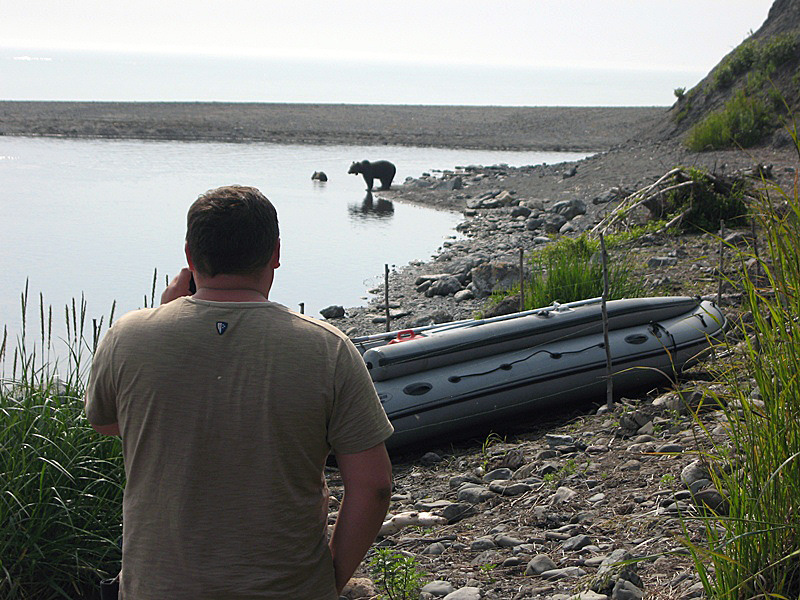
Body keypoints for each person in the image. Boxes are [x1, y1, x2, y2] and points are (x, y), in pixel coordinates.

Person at [85, 185, 394, 599]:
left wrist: (164, 313)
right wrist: (327, 579)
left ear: (191, 258)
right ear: (276, 254)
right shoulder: (328, 349)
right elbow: (373, 486)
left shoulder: (128, 336)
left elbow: (107, 422)